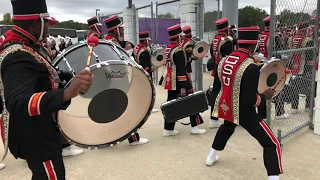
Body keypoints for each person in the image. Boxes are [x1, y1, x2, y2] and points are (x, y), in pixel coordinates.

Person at [0, 0, 93, 179]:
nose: (49, 29)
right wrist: (65, 93)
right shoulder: (17, 55)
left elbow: (44, 78)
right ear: (36, 23)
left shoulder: (28, 45)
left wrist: (70, 81)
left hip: (40, 130)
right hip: (36, 137)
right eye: (47, 23)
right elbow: (18, 102)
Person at [205, 26, 283, 180]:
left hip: (227, 106)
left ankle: (211, 156)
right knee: (272, 144)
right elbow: (250, 99)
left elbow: (218, 88)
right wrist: (265, 96)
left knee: (226, 128)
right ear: (253, 45)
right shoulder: (251, 67)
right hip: (245, 112)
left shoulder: (223, 60)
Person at [104, 15, 149, 146]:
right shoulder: (112, 42)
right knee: (128, 108)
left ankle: (110, 138)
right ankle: (133, 139)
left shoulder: (107, 40)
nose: (123, 31)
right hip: (118, 79)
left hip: (109, 80)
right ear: (115, 29)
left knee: (112, 110)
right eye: (121, 29)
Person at [162, 24, 206, 136]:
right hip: (180, 81)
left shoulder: (168, 48)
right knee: (191, 102)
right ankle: (195, 127)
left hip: (170, 81)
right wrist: (184, 86)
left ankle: (168, 129)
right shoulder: (179, 50)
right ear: (178, 37)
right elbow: (181, 69)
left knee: (170, 104)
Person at [208, 17, 234, 129]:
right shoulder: (227, 40)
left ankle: (213, 119)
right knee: (229, 92)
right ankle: (229, 117)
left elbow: (211, 53)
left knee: (216, 92)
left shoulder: (216, 39)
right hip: (225, 70)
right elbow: (230, 56)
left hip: (216, 68)